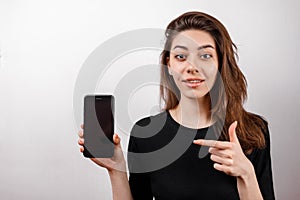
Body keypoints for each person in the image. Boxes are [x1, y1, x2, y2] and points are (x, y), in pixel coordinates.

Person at [78, 11, 275, 200]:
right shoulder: (145, 134)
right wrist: (116, 170)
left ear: (220, 63)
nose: (192, 67)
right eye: (181, 56)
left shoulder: (252, 131)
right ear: (169, 64)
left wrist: (246, 173)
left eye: (205, 56)